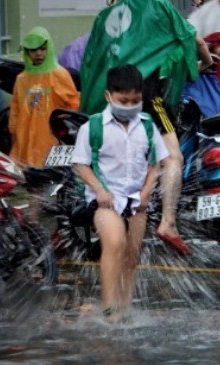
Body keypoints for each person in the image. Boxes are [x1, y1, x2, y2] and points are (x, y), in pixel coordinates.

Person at [81, 0, 214, 254]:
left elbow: (90, 64)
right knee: (173, 157)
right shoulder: (157, 6)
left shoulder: (103, 19)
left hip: (110, 101)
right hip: (146, 97)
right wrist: (204, 65)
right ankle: (168, 223)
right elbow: (194, 40)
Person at [72, 65, 169, 320]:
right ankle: (109, 309)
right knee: (115, 243)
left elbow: (155, 163)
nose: (129, 105)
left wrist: (147, 192)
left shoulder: (147, 126)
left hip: (138, 201)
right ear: (108, 96)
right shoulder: (92, 127)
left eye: (135, 100)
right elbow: (80, 164)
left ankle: (125, 305)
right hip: (105, 201)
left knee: (131, 254)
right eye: (123, 100)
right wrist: (100, 190)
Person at [8, 26, 80, 222]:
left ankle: (59, 223)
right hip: (27, 141)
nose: (38, 54)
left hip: (51, 141)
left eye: (42, 48)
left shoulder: (59, 75)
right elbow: (15, 108)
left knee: (58, 181)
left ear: (49, 48)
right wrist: (14, 131)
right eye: (33, 50)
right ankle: (33, 220)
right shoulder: (21, 79)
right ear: (26, 52)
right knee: (34, 182)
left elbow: (73, 104)